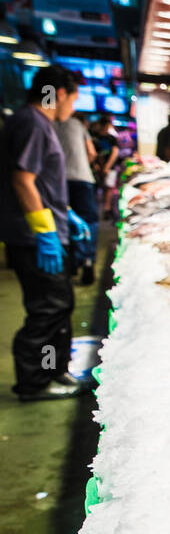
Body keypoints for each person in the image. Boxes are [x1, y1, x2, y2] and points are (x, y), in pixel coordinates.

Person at [0, 65, 93, 401]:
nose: (72, 107)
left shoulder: (33, 122)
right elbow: (22, 181)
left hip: (45, 228)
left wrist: (65, 213)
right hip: (33, 238)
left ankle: (55, 370)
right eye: (73, 98)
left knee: (59, 306)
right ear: (59, 93)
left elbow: (39, 181)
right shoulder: (34, 123)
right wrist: (45, 232)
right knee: (48, 309)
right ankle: (35, 383)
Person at [55, 112, 99, 285]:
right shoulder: (77, 125)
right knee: (89, 222)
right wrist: (81, 165)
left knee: (64, 222)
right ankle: (87, 262)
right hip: (81, 180)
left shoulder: (48, 123)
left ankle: (71, 264)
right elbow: (91, 152)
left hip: (58, 182)